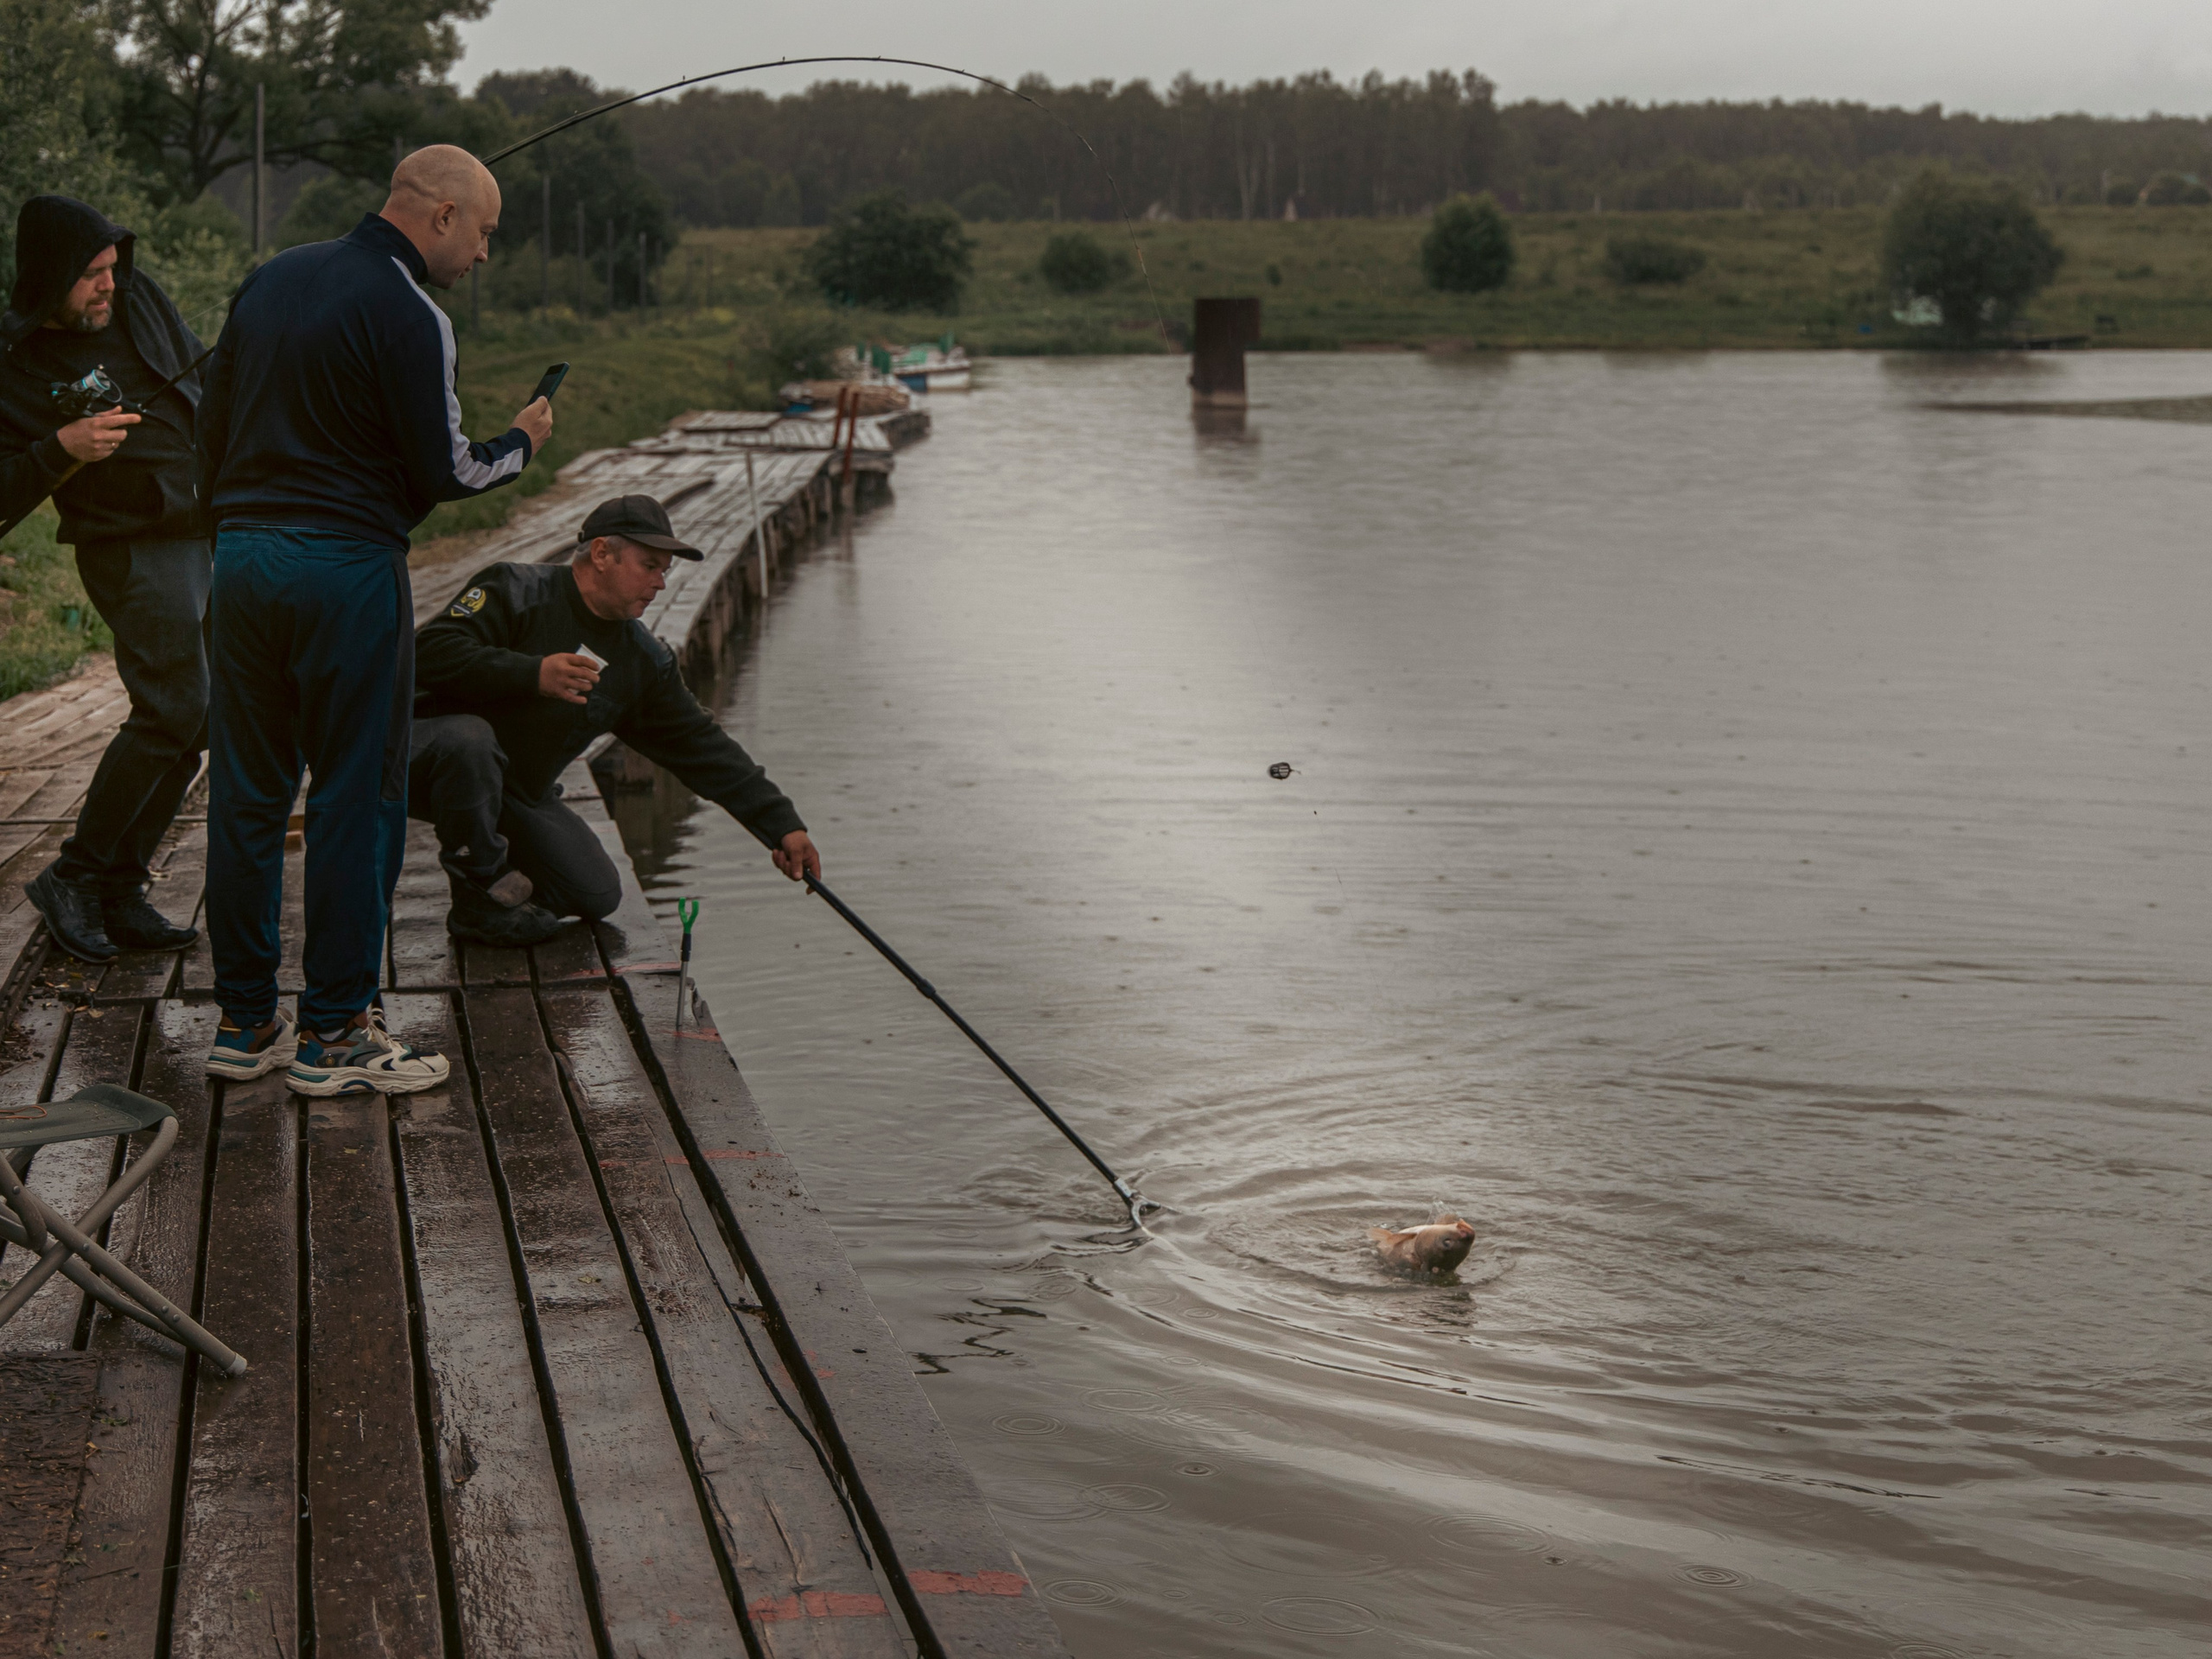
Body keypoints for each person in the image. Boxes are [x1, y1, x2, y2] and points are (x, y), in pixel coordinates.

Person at [194, 145, 552, 1095]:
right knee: (359, 794)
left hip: (240, 561)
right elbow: (447, 471)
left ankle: (240, 1023)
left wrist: (237, 526)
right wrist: (522, 441)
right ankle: (337, 1034)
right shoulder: (411, 312)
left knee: (247, 793)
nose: (482, 256)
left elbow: (211, 425)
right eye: (482, 233)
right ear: (439, 215)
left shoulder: (268, 279)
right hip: (345, 570)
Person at [411, 493, 819, 945]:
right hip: (415, 756)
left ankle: (503, 884)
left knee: (596, 892)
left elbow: (700, 746)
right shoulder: (512, 588)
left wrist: (782, 824)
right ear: (602, 553)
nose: (660, 583)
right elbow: (427, 653)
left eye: (666, 570)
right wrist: (532, 674)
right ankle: (478, 897)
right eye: (650, 566)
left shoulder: (642, 661)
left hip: (513, 790)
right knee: (469, 739)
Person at [1, 196, 210, 963]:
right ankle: (75, 875)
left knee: (201, 718)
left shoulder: (138, 296)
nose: (108, 289)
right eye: (90, 276)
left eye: (111, 271)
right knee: (174, 707)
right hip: (130, 546)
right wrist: (61, 447)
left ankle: (119, 890)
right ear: (51, 277)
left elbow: (202, 365)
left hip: (205, 527)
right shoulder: (14, 363)